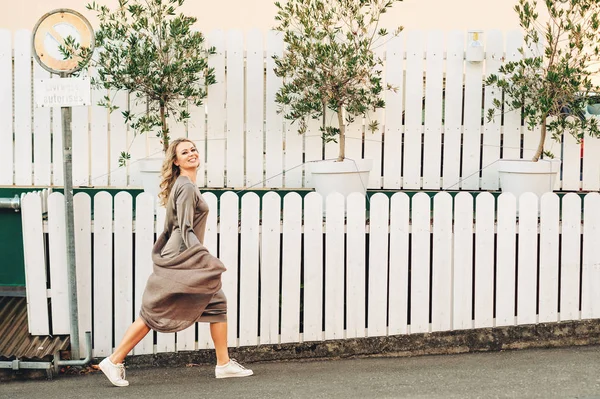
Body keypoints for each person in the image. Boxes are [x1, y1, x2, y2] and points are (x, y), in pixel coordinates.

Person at [99, 138, 253, 387]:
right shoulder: (187, 187)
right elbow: (184, 228)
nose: (192, 153)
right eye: (185, 152)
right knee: (154, 311)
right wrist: (201, 257)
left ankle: (224, 364)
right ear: (176, 161)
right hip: (181, 257)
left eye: (193, 149)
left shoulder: (186, 184)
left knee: (216, 302)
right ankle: (114, 360)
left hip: (181, 254)